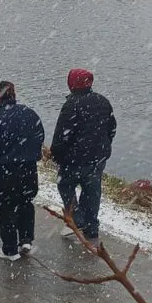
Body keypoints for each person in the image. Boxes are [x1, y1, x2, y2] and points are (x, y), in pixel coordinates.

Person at [0, 81, 44, 261]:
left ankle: (10, 249)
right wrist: (31, 155)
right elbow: (39, 138)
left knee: (6, 209)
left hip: (3, 172)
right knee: (26, 203)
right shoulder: (30, 114)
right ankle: (26, 239)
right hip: (28, 169)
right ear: (14, 95)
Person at [51, 68, 116, 246]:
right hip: (97, 158)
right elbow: (112, 128)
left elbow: (62, 135)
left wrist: (56, 153)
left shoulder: (72, 105)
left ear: (72, 84)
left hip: (74, 159)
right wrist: (104, 147)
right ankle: (91, 228)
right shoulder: (103, 101)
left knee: (65, 185)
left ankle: (77, 220)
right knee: (92, 191)